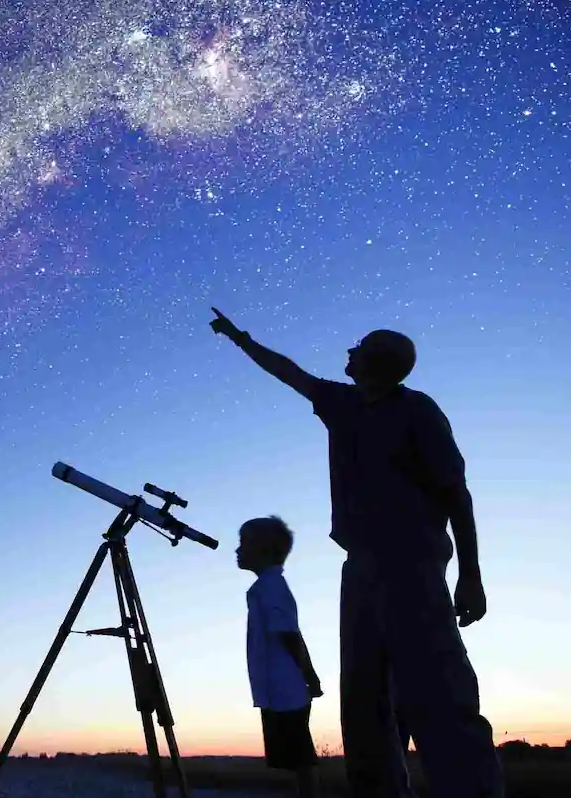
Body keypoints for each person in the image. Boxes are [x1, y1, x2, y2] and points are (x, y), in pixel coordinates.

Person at [209, 308, 504, 798]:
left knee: (437, 692)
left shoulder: (418, 412)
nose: (348, 351)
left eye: (359, 346)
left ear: (379, 363)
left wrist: (470, 575)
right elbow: (290, 373)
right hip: (361, 568)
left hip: (412, 564)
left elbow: (457, 493)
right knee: (365, 703)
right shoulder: (341, 403)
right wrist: (241, 339)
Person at [237, 515, 323, 798]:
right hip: (280, 686)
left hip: (285, 686)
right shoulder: (265, 588)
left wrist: (308, 675)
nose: (238, 550)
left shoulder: (270, 588)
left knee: (299, 758)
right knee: (294, 758)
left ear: (263, 550)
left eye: (244, 543)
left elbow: (289, 634)